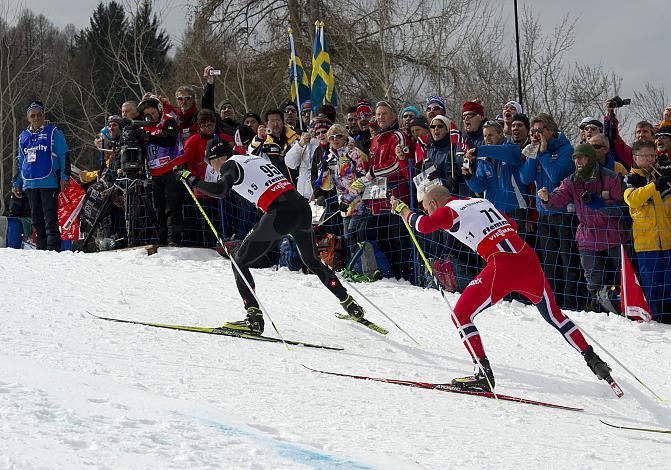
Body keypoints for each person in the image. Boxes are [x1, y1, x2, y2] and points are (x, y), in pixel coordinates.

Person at [388, 184, 613, 391]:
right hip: (527, 258)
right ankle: (593, 359)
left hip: (502, 264)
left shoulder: (448, 210)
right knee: (554, 316)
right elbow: (512, 224)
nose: (429, 212)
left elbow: (424, 225)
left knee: (461, 315)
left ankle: (482, 373)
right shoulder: (480, 202)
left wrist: (404, 210)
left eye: (427, 207)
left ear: (435, 203)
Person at [176, 137, 367, 334]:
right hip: (301, 208)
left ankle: (253, 320)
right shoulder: (252, 158)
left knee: (239, 262)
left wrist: (191, 179)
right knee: (312, 261)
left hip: (280, 213)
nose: (213, 168)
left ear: (220, 157)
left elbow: (220, 190)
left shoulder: (230, 164)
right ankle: (350, 304)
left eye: (210, 162)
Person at [538, 143, 631, 313]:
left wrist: (600, 204)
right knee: (593, 279)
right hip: (587, 236)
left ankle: (626, 308)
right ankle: (597, 309)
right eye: (575, 158)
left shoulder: (610, 177)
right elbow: (558, 199)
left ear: (591, 158)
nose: (578, 161)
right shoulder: (571, 181)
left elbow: (623, 206)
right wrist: (546, 199)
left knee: (623, 276)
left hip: (614, 234)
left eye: (581, 157)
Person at [12, 100, 70, 251]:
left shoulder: (53, 132)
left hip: (49, 182)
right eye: (33, 116)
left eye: (39, 115)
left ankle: (53, 251)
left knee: (50, 219)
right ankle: (41, 251)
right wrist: (17, 182)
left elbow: (64, 154)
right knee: (36, 221)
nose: (36, 118)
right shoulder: (23, 136)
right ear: (28, 118)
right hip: (30, 184)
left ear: (44, 115)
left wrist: (64, 177)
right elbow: (20, 160)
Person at [624, 141, 671, 322]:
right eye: (646, 156)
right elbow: (633, 200)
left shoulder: (661, 175)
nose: (651, 159)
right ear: (636, 158)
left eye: (653, 156)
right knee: (653, 287)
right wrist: (654, 186)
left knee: (668, 286)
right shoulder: (630, 178)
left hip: (667, 241)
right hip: (647, 245)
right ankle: (656, 322)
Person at [138, 95, 185, 246]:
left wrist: (149, 138)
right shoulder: (143, 128)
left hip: (171, 170)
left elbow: (169, 140)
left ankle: (173, 239)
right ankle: (162, 239)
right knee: (158, 208)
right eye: (147, 114)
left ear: (159, 111)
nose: (150, 117)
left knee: (172, 206)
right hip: (154, 173)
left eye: (152, 113)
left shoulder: (168, 121)